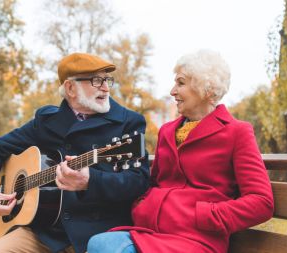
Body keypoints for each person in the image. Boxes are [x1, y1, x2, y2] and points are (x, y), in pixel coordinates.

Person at [87, 49, 274, 253]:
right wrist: (143, 204)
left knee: (107, 249)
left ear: (206, 89)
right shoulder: (167, 131)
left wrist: (206, 214)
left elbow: (261, 202)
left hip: (196, 240)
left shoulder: (237, 132)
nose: (172, 91)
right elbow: (155, 182)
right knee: (97, 243)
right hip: (150, 232)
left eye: (181, 83)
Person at [0, 53, 150, 253]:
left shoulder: (128, 122)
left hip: (98, 235)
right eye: (96, 81)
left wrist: (92, 181)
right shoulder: (46, 121)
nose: (106, 87)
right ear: (70, 88)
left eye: (107, 80)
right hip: (45, 234)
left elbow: (139, 181)